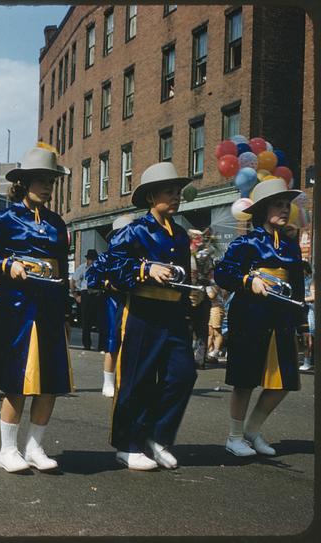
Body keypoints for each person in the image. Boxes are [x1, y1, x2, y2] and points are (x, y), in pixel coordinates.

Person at [0, 144, 71, 473]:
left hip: (51, 308)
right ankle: (7, 449)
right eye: (40, 179)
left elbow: (62, 270)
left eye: (51, 180)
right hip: (16, 309)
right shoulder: (3, 219)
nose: (47, 186)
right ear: (24, 182)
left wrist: (65, 309)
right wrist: (7, 263)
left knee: (51, 380)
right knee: (17, 380)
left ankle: (35, 446)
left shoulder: (57, 223)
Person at [104, 162, 197, 471]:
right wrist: (145, 269)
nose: (176, 196)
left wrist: (193, 293)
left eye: (178, 191)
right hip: (142, 312)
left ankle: (157, 436)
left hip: (172, 313)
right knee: (136, 379)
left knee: (183, 375)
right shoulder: (135, 230)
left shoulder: (181, 235)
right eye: (169, 191)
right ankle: (127, 445)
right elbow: (107, 269)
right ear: (150, 197)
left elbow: (181, 276)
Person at [214, 179, 305, 457]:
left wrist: (299, 320)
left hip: (281, 319)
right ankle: (234, 436)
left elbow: (298, 284)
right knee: (245, 379)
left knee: (284, 381)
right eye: (279, 204)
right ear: (264, 209)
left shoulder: (291, 246)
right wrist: (246, 280)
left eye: (287, 205)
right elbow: (223, 274)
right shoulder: (247, 242)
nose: (284, 209)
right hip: (251, 317)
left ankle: (252, 430)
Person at [86, 214, 135, 398]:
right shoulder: (108, 257)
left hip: (136, 302)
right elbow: (92, 279)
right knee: (113, 342)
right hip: (114, 302)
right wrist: (108, 284)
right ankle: (108, 380)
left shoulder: (139, 256)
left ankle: (129, 380)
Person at [71, 249, 99, 350]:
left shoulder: (99, 268)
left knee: (99, 320)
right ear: (87, 259)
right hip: (86, 293)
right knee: (86, 321)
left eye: (94, 259)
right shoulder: (82, 268)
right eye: (91, 259)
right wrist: (75, 295)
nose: (93, 261)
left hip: (97, 294)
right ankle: (86, 344)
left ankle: (102, 345)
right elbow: (73, 281)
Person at [300, 261, 314, 372]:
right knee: (302, 337)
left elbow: (314, 297)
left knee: (308, 337)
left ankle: (307, 362)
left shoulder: (311, 281)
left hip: (309, 311)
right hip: (300, 310)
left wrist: (301, 300)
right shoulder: (298, 281)